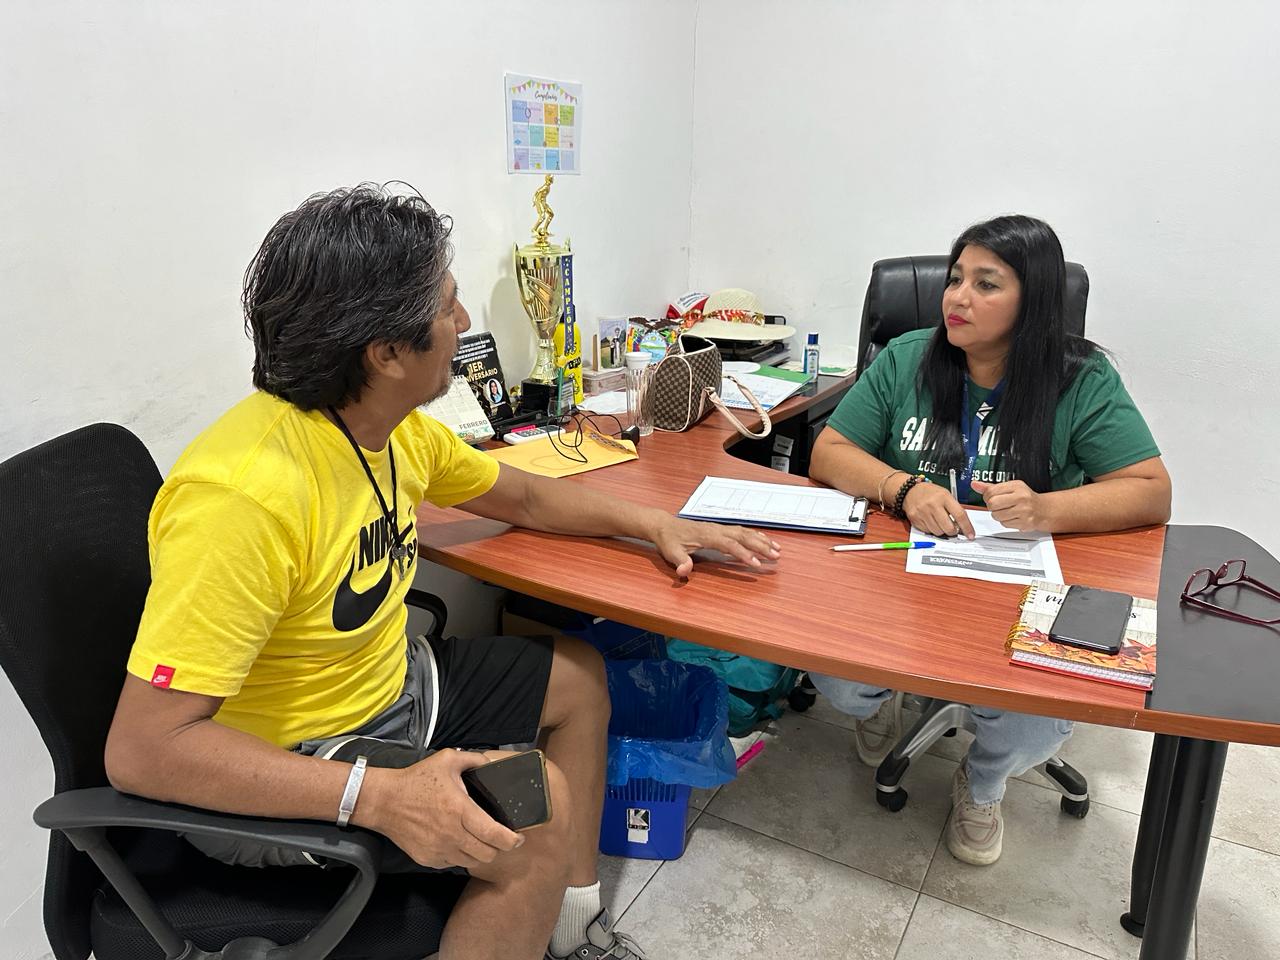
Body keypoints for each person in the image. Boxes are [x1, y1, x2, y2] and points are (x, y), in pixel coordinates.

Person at [104, 184, 781, 960]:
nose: (463, 324)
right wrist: (381, 796)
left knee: (579, 681)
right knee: (532, 817)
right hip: (295, 754)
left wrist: (655, 523)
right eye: (448, 306)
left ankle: (574, 932)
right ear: (387, 354)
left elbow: (525, 495)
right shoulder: (244, 496)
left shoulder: (387, 428)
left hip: (385, 685)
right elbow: (143, 751)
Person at [807, 214, 1171, 866]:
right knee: (830, 667)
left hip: (1022, 585)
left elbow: (1150, 490)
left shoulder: (1080, 378)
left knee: (1036, 725)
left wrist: (1047, 507)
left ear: (1034, 301)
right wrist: (901, 488)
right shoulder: (908, 358)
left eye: (986, 283)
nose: (957, 297)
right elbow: (829, 453)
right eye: (954, 279)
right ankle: (878, 705)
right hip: (905, 576)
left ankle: (983, 784)